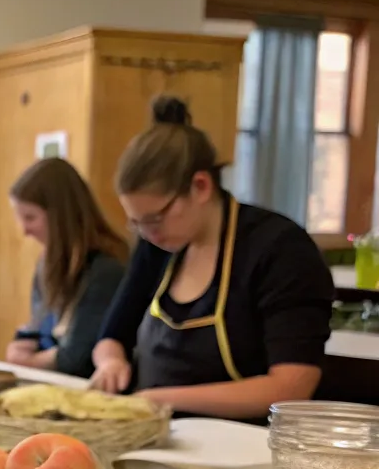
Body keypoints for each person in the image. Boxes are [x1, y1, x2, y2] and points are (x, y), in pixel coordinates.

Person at [91, 96, 334, 422]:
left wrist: (159, 398)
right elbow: (112, 336)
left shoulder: (280, 250)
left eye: (155, 219)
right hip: (158, 432)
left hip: (244, 453)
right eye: (136, 223)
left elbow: (290, 387)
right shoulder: (158, 246)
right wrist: (110, 362)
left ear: (201, 186)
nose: (148, 233)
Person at [4, 158, 129, 378]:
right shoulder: (46, 262)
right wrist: (20, 345)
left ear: (61, 216)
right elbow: (40, 327)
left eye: (30, 217)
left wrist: (31, 361)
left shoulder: (105, 269)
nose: (24, 230)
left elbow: (77, 357)